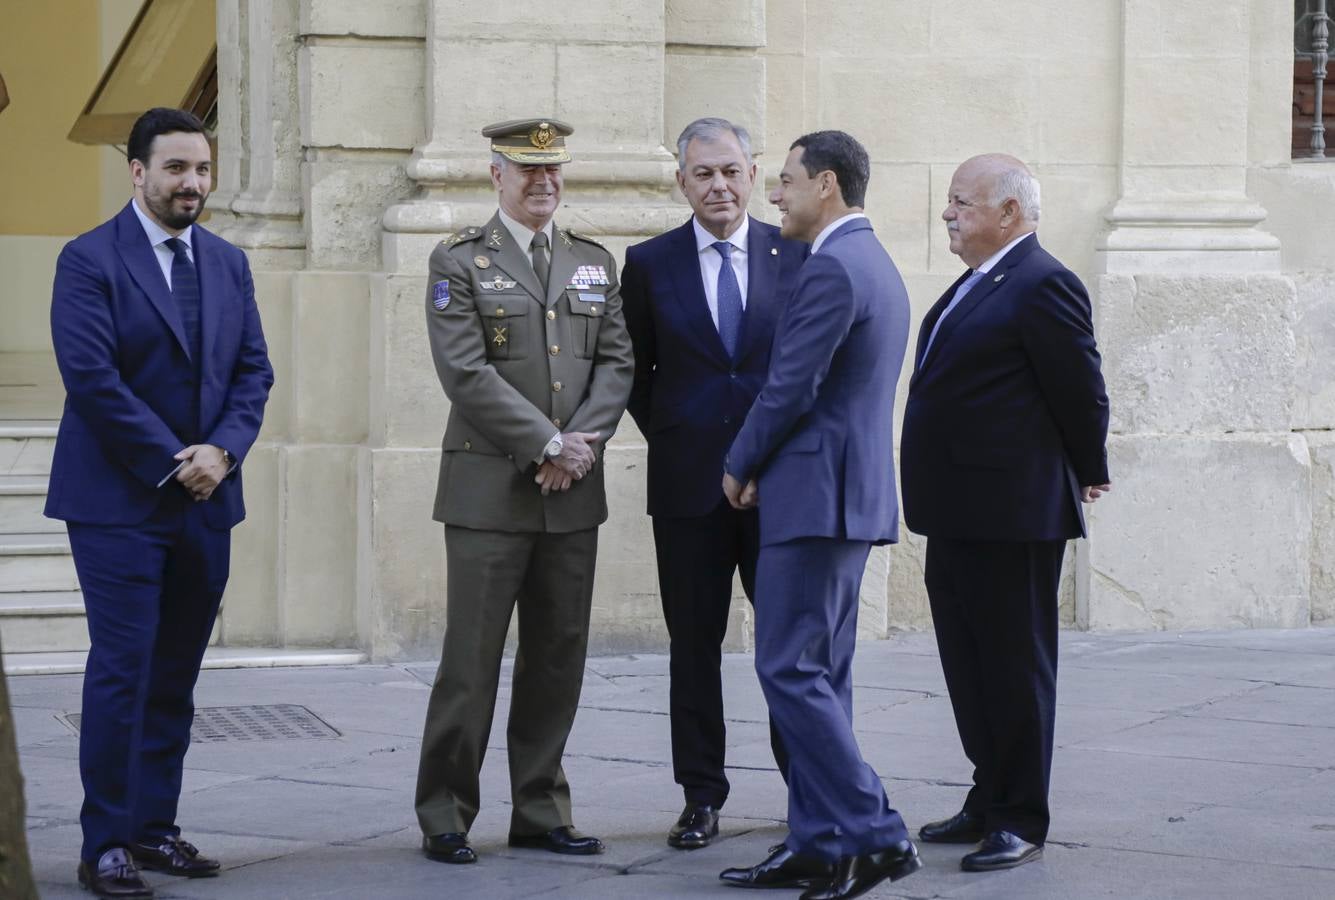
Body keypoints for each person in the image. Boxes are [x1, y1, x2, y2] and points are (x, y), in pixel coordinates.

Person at [46, 107, 273, 899]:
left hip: (208, 500)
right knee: (122, 672)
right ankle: (103, 843)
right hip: (117, 500)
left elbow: (254, 373)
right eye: (176, 169)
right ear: (137, 172)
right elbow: (93, 381)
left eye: (202, 169)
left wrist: (224, 451)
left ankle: (153, 830)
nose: (192, 184)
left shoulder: (228, 262)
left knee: (175, 675)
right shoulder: (87, 260)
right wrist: (176, 462)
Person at [415, 118, 634, 865]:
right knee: (470, 660)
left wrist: (578, 449)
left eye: (553, 171)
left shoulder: (591, 262)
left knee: (556, 656)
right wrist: (546, 442)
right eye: (526, 170)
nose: (543, 182)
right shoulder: (458, 263)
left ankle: (540, 808)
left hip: (571, 492)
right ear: (495, 177)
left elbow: (616, 363)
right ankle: (446, 810)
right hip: (488, 494)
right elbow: (465, 372)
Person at [718, 131, 920, 900]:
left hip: (815, 497)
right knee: (820, 677)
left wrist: (740, 463)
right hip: (839, 495)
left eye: (786, 181)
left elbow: (790, 388)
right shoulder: (871, 260)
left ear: (826, 185)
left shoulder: (834, 265)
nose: (775, 195)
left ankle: (873, 832)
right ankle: (818, 840)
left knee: (788, 669)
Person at [900, 153, 1110, 872]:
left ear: (1009, 213)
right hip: (958, 511)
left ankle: (1019, 815)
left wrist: (1088, 468)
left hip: (1014, 513)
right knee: (968, 663)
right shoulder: (978, 282)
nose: (948, 214)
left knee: (1014, 667)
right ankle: (988, 793)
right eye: (950, 201)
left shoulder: (1042, 281)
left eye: (961, 201)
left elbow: (1079, 386)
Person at [620, 117, 805, 850]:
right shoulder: (649, 262)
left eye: (730, 171)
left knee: (787, 648)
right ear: (680, 181)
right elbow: (635, 376)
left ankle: (807, 786)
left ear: (753, 175)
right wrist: (680, 439)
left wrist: (765, 460)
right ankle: (700, 795)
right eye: (703, 174)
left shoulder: (791, 253)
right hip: (688, 490)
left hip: (777, 489)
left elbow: (803, 371)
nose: (718, 186)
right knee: (692, 647)